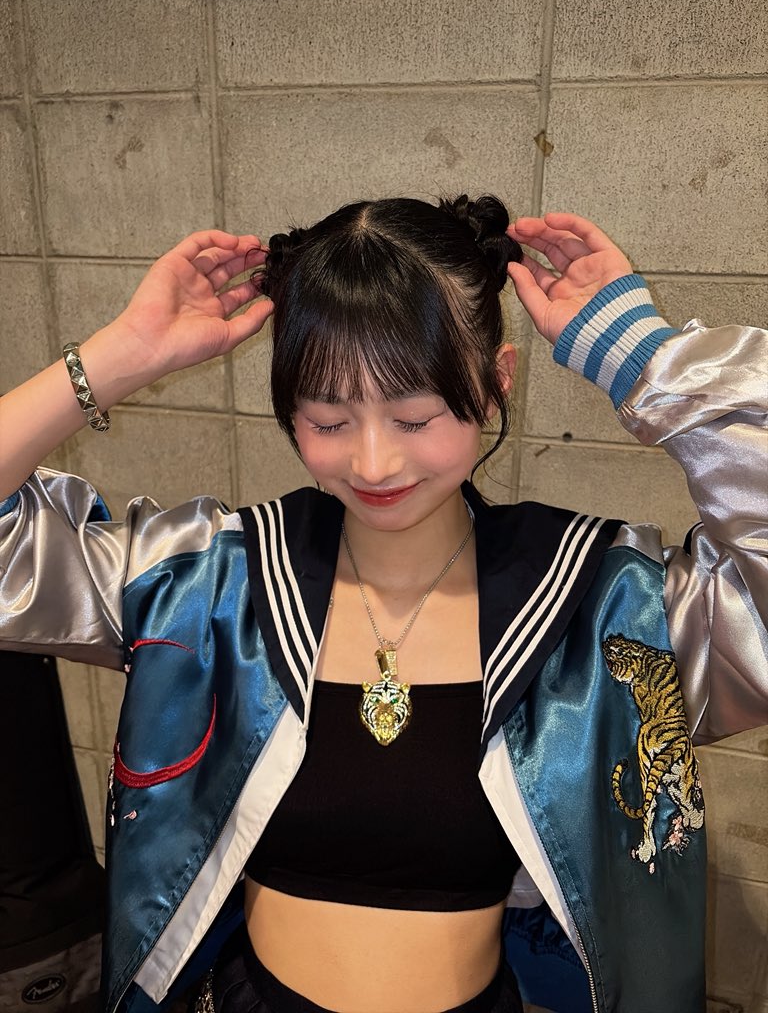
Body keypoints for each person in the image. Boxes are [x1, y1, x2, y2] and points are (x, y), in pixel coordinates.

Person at [0, 196, 765, 1013]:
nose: (373, 462)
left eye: (413, 416)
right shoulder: (212, 584)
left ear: (495, 381)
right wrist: (117, 359)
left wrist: (644, 358)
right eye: (328, 420)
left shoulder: (597, 606)